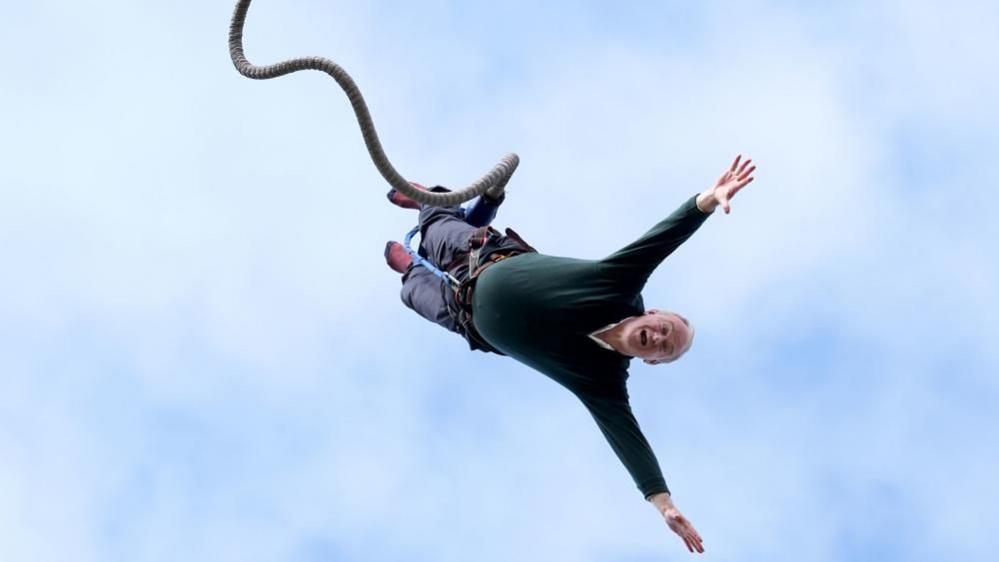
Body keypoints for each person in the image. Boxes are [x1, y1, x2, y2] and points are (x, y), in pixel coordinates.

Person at [384, 156, 756, 554]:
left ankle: (414, 267)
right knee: (437, 219)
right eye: (666, 329)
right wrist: (710, 199)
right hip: (476, 255)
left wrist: (663, 504)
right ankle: (437, 201)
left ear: (652, 361)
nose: (660, 337)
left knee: (411, 289)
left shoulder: (602, 380)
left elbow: (629, 440)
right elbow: (664, 238)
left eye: (665, 348)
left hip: (463, 315)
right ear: (651, 314)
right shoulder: (618, 285)